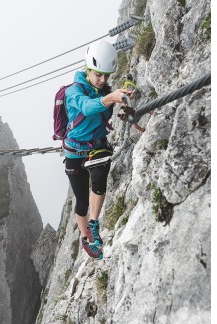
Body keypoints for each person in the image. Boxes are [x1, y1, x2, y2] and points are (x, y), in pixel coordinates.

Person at [63, 40, 131, 259]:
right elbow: (87, 107)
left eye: (106, 76)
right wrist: (111, 98)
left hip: (97, 145)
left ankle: (94, 223)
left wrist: (127, 111)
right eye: (98, 75)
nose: (103, 80)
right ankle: (86, 237)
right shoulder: (74, 92)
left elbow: (108, 111)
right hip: (74, 151)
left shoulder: (105, 89)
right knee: (81, 201)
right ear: (88, 69)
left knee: (100, 176)